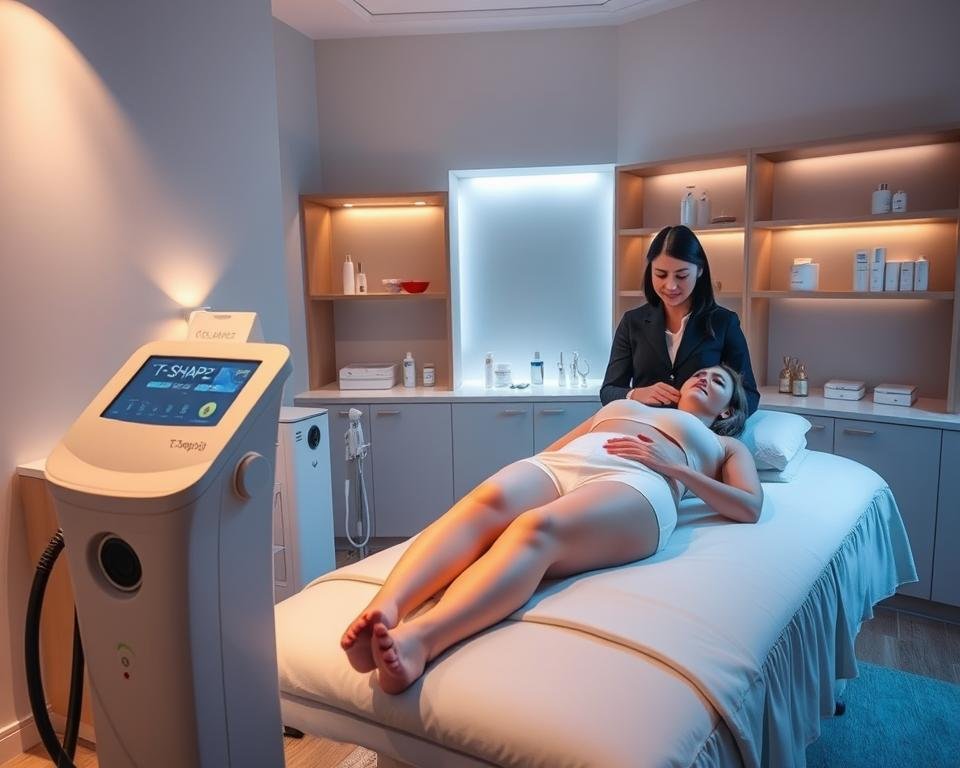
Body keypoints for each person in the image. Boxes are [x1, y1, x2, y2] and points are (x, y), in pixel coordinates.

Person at [340, 364, 762, 695]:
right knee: (484, 502)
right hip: (566, 463)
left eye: (718, 381)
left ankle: (421, 640)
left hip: (640, 479)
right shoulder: (629, 405)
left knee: (536, 527)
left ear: (727, 410)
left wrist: (674, 468)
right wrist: (526, 476)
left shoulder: (725, 445)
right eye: (700, 374)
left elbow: (749, 506)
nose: (704, 378)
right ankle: (384, 609)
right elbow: (554, 450)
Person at [600, 225, 760, 415]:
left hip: (699, 429)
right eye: (660, 274)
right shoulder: (631, 322)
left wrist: (711, 421)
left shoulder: (724, 323)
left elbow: (749, 395)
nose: (671, 285)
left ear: (699, 270)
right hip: (643, 426)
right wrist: (635, 394)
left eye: (681, 275)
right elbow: (608, 391)